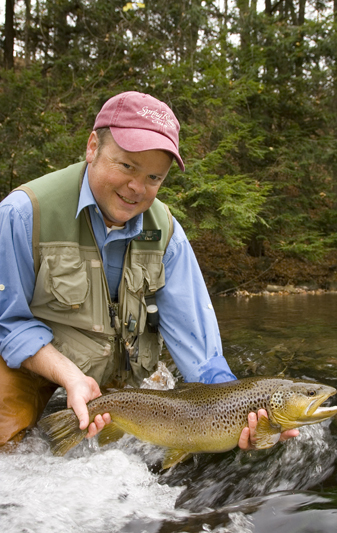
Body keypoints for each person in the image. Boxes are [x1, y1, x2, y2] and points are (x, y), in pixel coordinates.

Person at [0, 91, 298, 449]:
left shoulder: (167, 235)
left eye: (154, 178)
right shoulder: (22, 214)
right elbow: (8, 323)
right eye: (126, 166)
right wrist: (68, 376)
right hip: (30, 368)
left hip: (116, 386)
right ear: (93, 146)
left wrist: (242, 413)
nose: (137, 189)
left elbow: (200, 352)